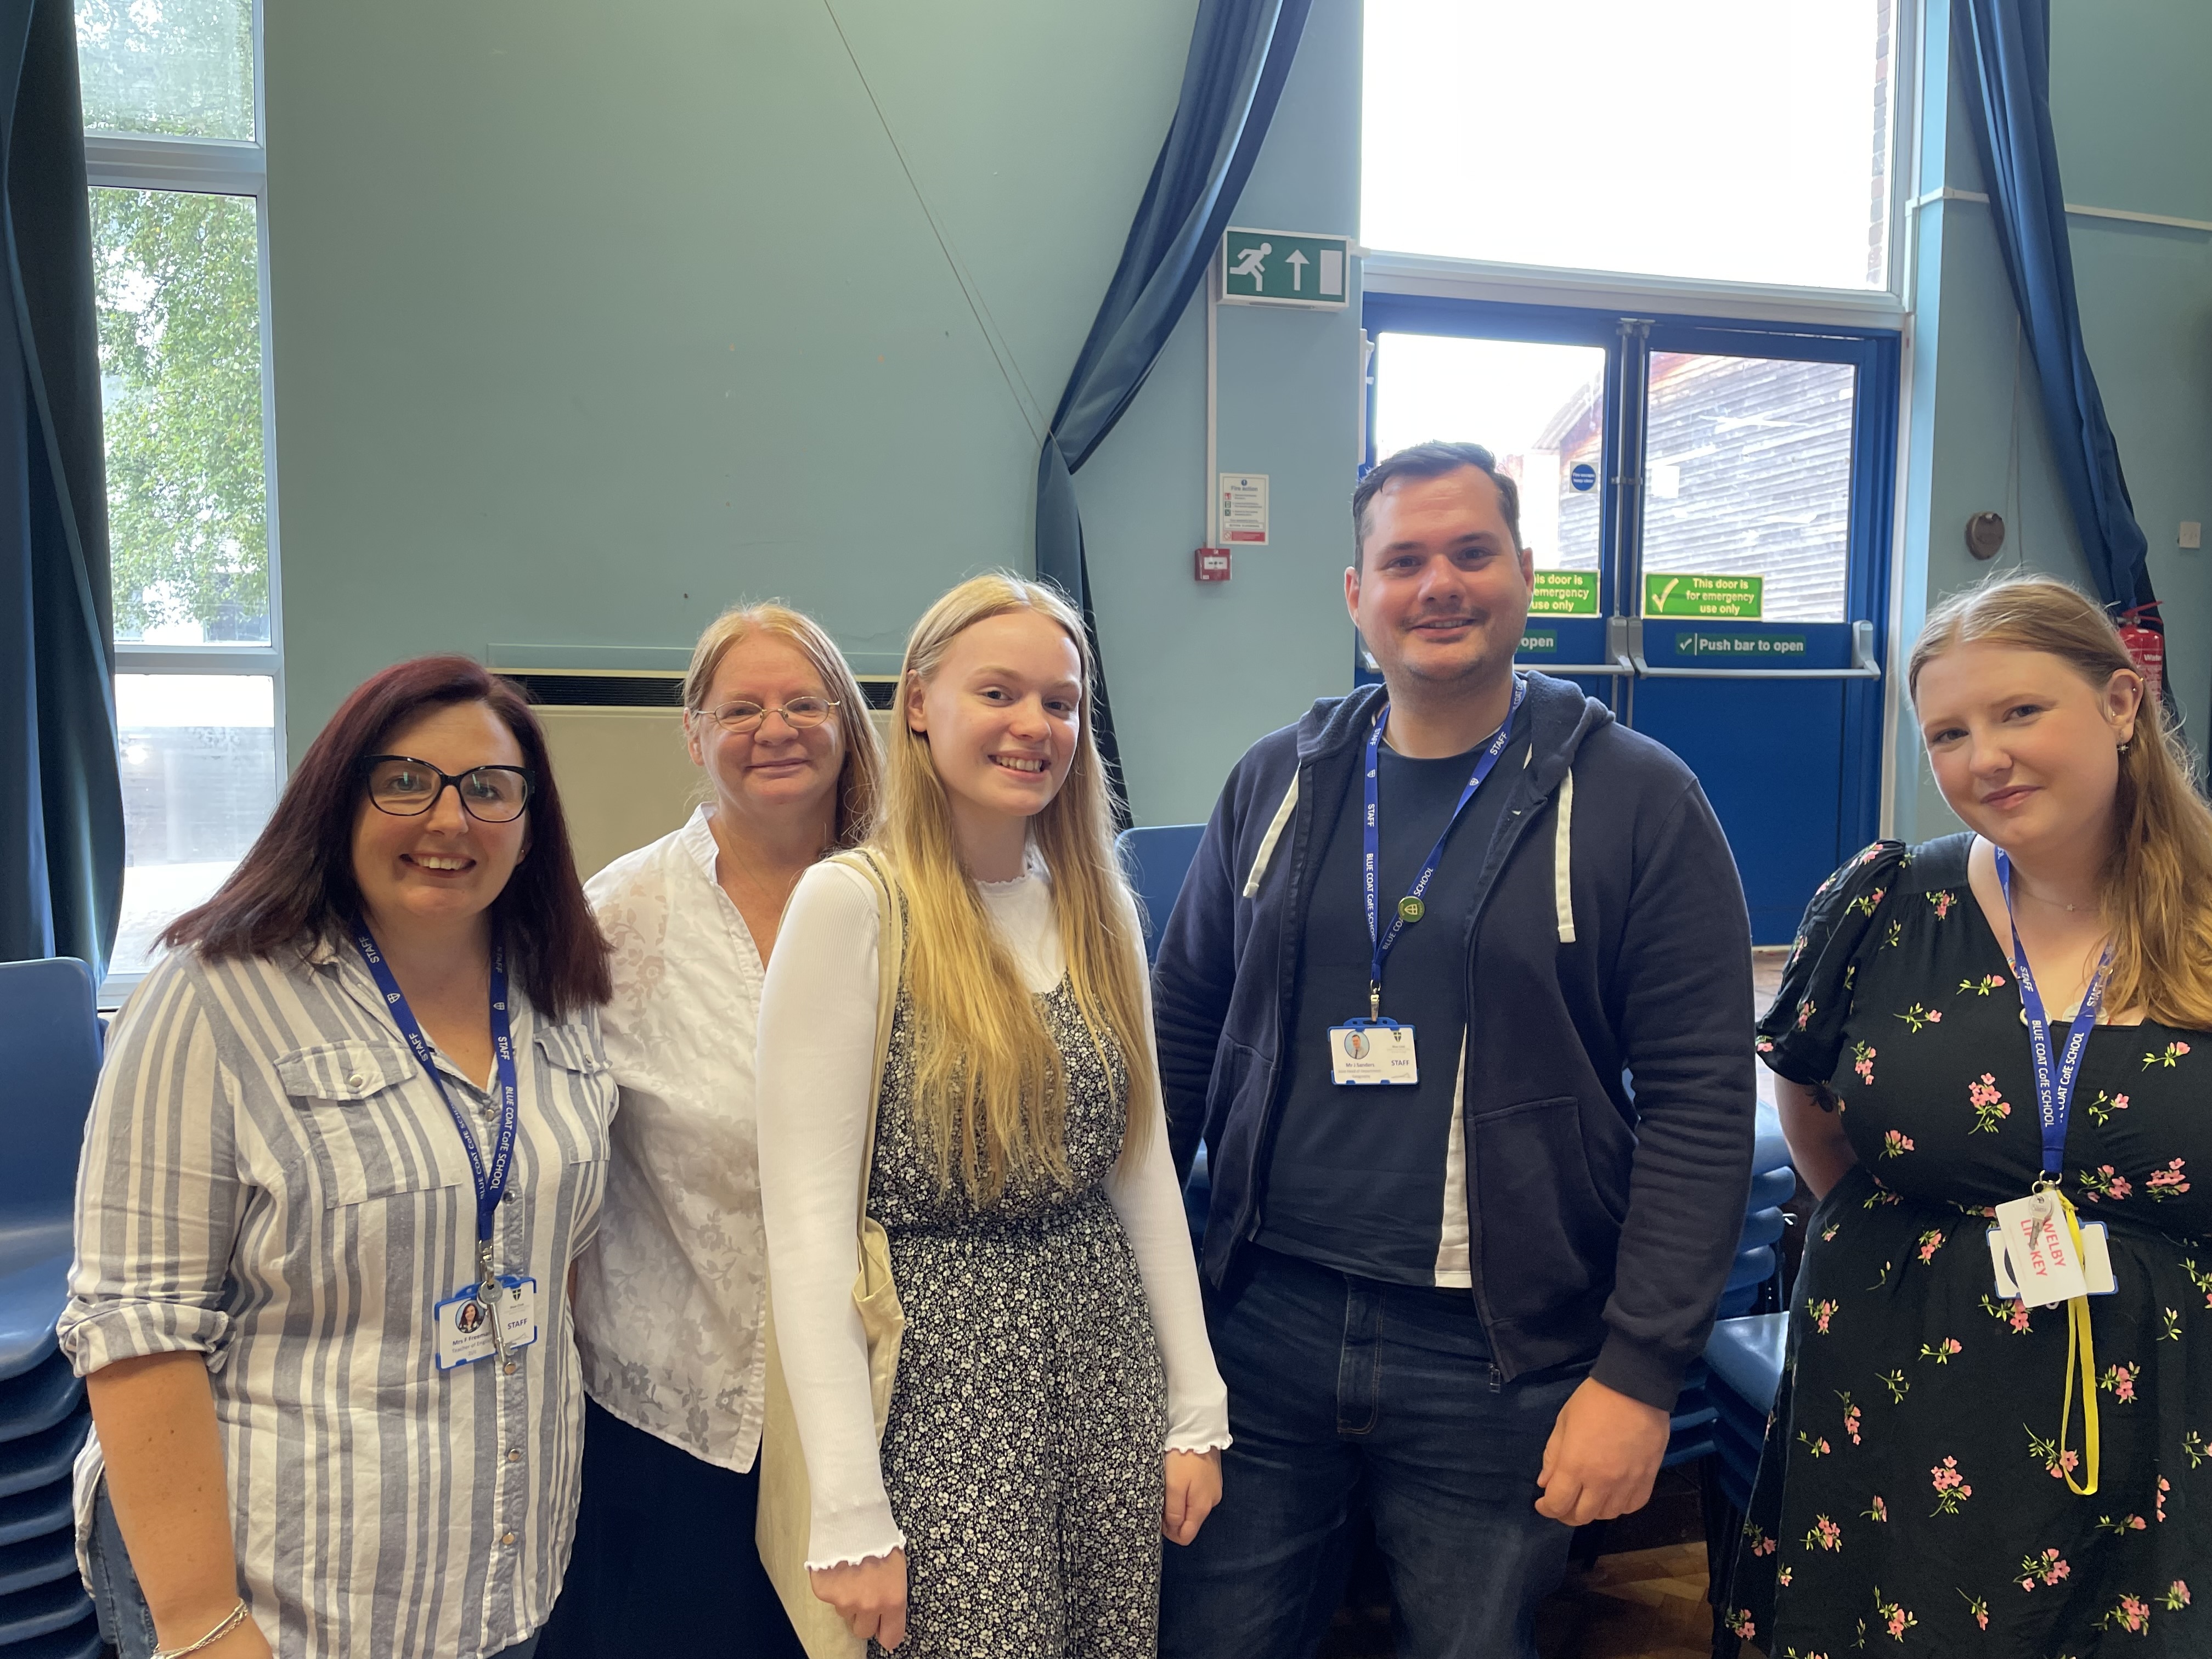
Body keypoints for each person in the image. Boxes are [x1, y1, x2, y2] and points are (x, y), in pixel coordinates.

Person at [1154, 441, 1757, 1659]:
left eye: (1472, 553)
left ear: (1524, 573)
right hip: (1262, 1321)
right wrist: (1150, 1312)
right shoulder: (1275, 781)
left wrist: (1640, 1374)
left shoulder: (1641, 799)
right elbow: (1180, 1031)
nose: (1439, 585)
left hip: (1498, 1346)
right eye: (1405, 561)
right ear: (1357, 594)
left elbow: (1701, 1101)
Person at [62, 657, 615, 1659]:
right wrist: (203, 1624)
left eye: (489, 789)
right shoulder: (214, 996)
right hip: (283, 1598)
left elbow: (557, 1246)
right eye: (405, 781)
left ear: (530, 824)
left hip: (499, 1576)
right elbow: (136, 1324)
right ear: (338, 799)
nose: (449, 820)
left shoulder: (559, 995)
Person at [1730, 573, 2212, 1656]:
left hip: (2164, 1410)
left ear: (2121, 704)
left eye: (2020, 712)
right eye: (1949, 733)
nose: (1985, 757)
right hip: (1906, 1394)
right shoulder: (1887, 904)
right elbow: (1812, 1109)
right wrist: (1924, 1245)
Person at [754, 573, 1228, 1656]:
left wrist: (1195, 1408)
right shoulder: (853, 903)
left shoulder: (1096, 904)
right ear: (922, 702)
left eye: (1060, 703)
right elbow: (809, 1230)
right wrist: (848, 1508)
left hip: (1104, 1361)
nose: (1034, 726)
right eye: (999, 693)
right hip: (946, 1386)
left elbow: (1142, 1174)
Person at [539, 603, 882, 1658]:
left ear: (848, 724)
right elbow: (562, 1155)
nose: (774, 729)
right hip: (675, 1409)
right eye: (741, 710)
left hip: (880, 1396)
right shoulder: (620, 916)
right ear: (694, 735)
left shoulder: (910, 898)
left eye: (804, 703)